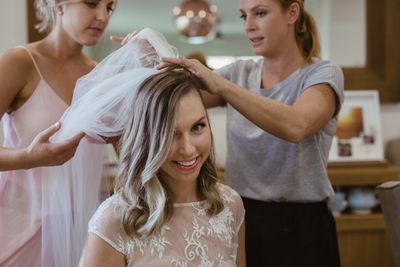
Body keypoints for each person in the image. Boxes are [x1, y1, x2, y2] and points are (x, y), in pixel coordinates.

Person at [159, 0, 344, 266]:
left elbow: (297, 126)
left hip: (303, 228)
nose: (249, 26)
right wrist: (147, 57)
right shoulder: (239, 73)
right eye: (244, 16)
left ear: (292, 12)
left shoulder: (322, 73)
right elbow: (171, 100)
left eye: (260, 13)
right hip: (240, 217)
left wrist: (221, 86)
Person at [82, 69, 246, 267]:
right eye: (170, 133)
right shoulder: (113, 221)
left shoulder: (229, 204)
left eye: (197, 127)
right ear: (146, 138)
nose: (187, 149)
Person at [0, 0, 117, 266]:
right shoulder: (20, 62)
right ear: (58, 4)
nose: (102, 16)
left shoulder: (102, 78)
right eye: (91, 3)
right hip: (15, 230)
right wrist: (30, 157)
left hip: (77, 234)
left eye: (109, 7)